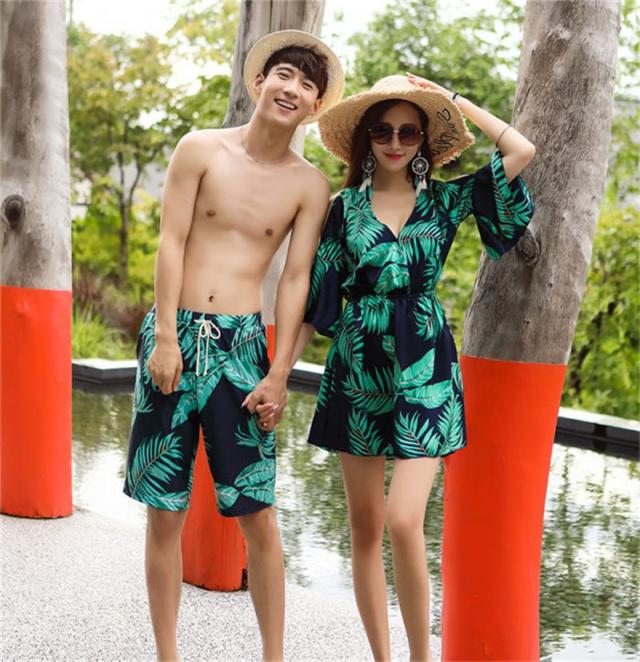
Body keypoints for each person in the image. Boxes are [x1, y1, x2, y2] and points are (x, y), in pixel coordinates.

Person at [259, 73, 536, 661]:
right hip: (357, 369)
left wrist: (452, 101)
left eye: (409, 132)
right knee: (365, 527)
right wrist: (279, 373)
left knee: (405, 521)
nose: (394, 141)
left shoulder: (445, 201)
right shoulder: (342, 210)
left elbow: (521, 150)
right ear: (366, 137)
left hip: (426, 370)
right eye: (382, 130)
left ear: (424, 141)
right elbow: (315, 302)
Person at [122, 30, 344, 662]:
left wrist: (280, 372)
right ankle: (168, 654)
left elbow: (296, 279)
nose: (292, 88)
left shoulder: (309, 186)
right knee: (164, 510)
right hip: (176, 334)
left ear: (315, 106)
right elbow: (171, 240)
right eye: (284, 75)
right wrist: (166, 336)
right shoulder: (200, 149)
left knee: (258, 512)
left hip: (244, 348)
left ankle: (273, 656)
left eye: (307, 84)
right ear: (260, 82)